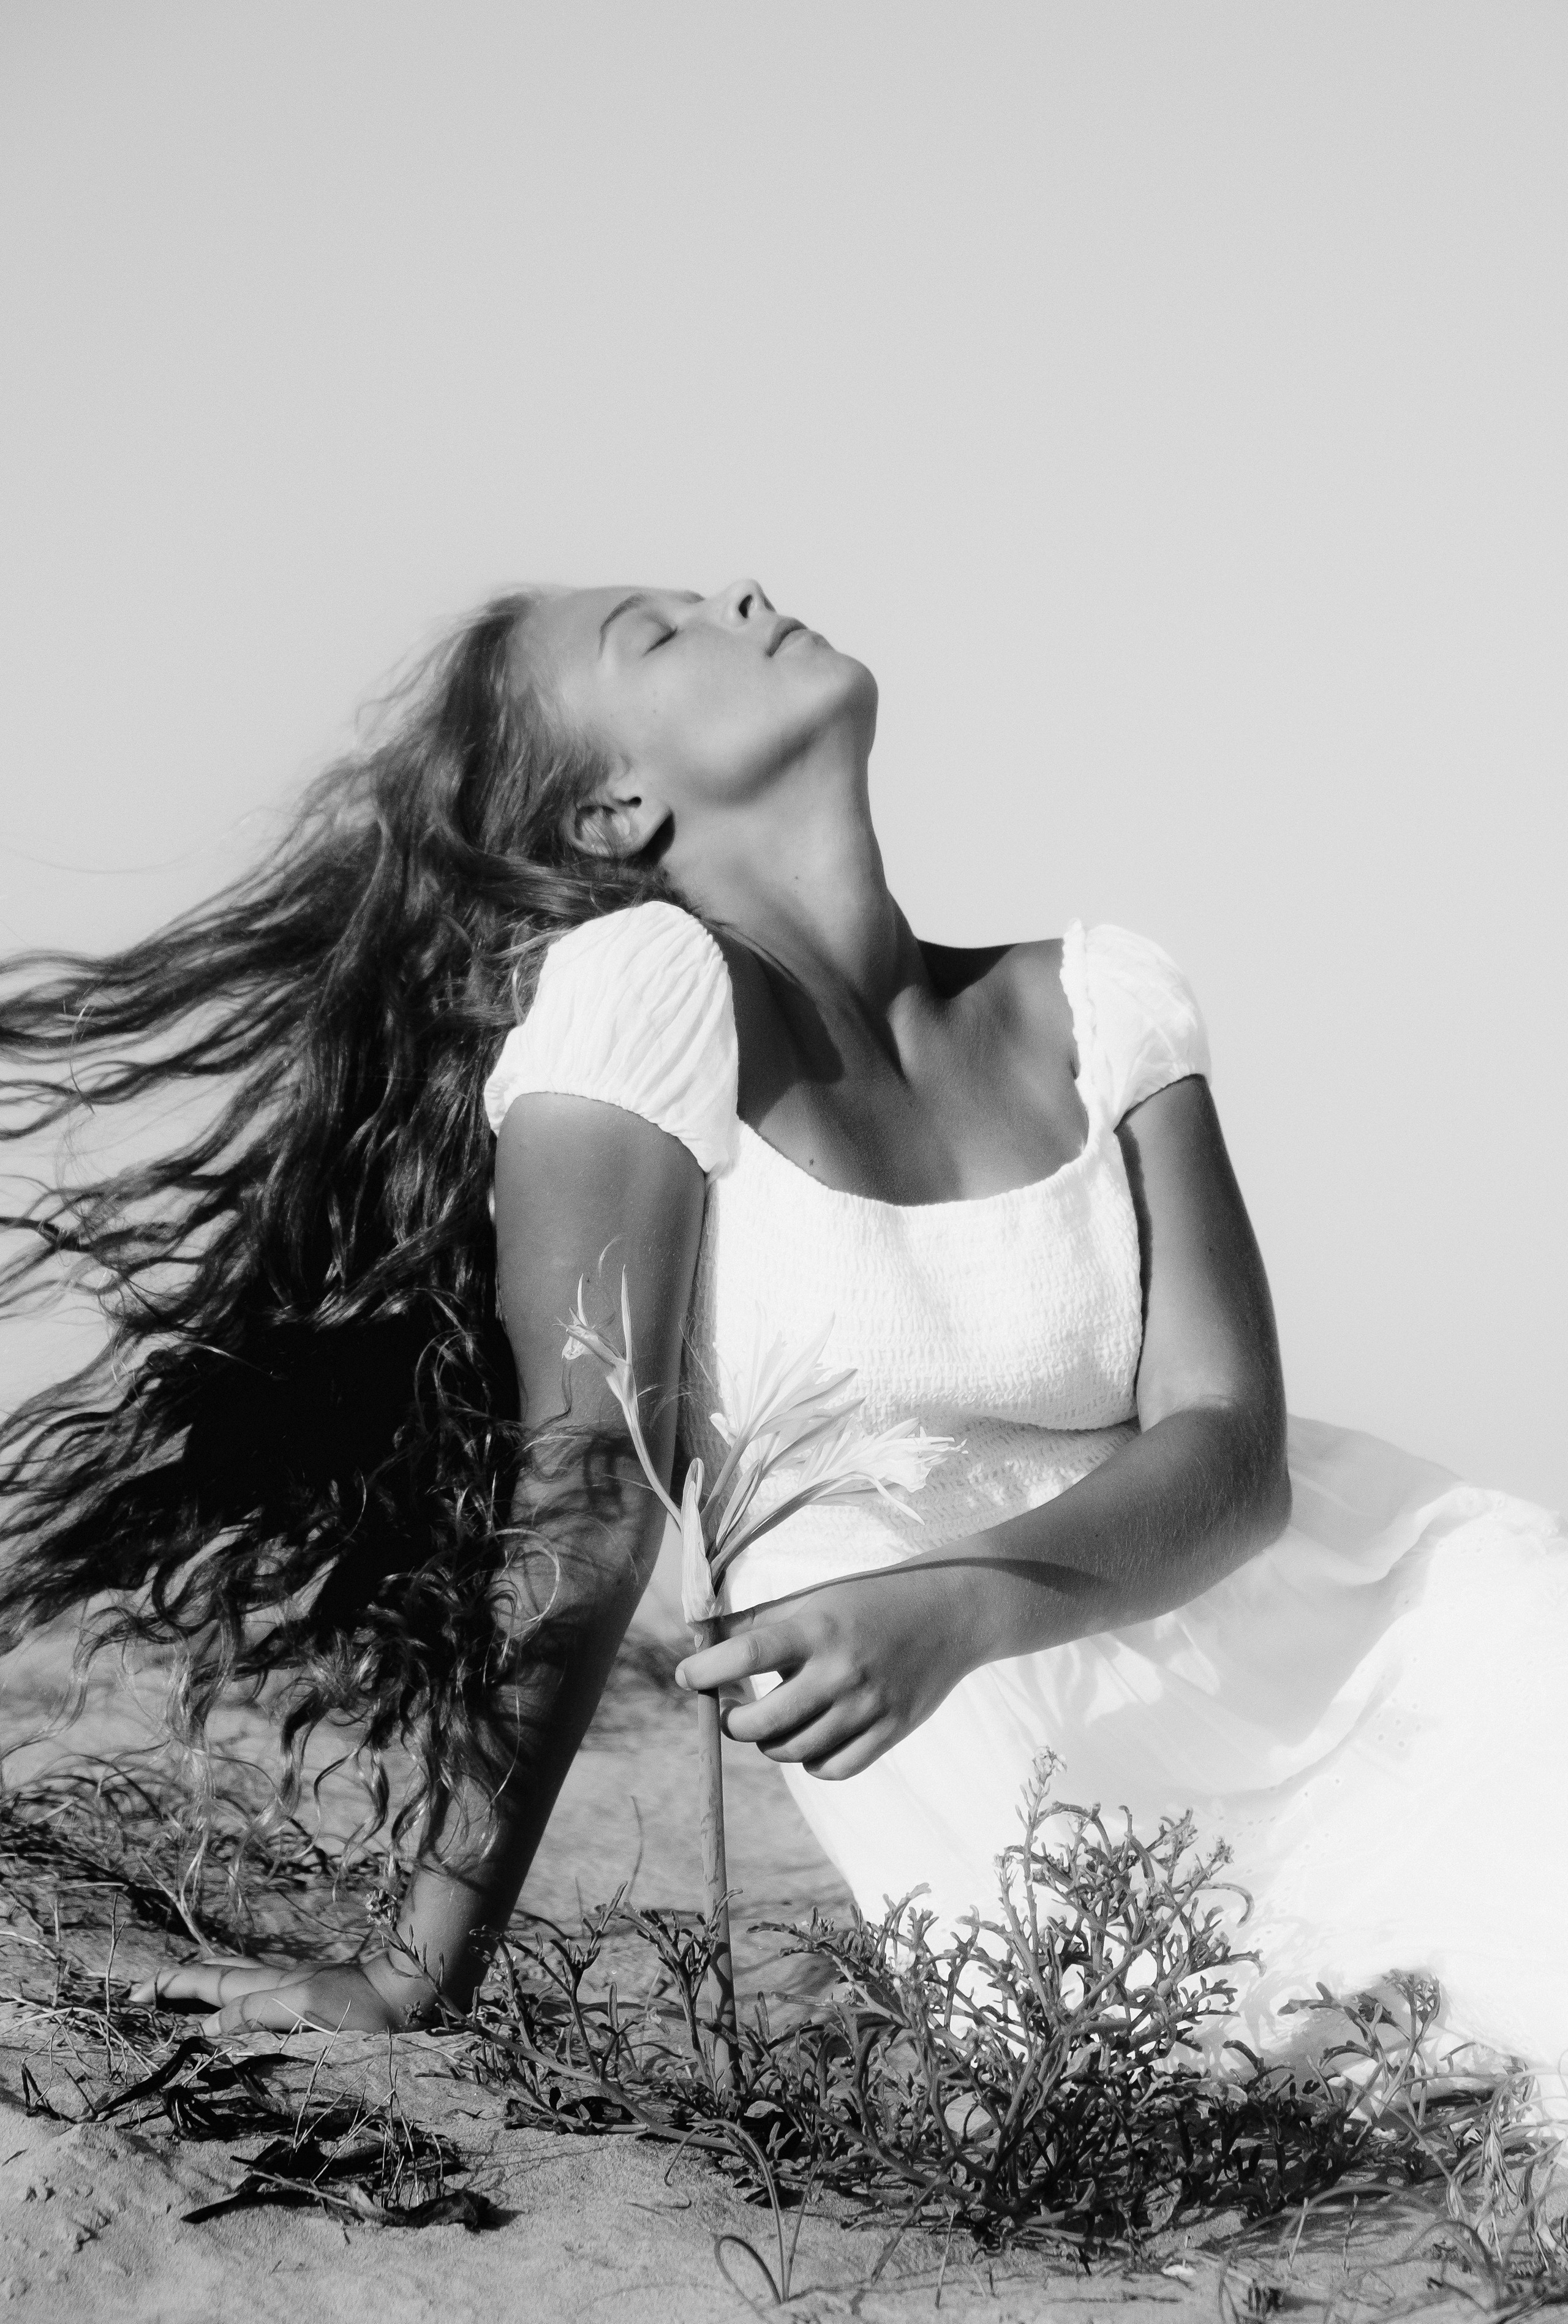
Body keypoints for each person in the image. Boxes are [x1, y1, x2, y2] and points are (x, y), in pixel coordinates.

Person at [2, 580, 1562, 2086]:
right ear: (612, 813)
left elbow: (1234, 1457)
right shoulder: (642, 991)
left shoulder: (1104, 1000)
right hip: (1059, 1814)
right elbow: (590, 1493)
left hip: (1381, 1649)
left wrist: (953, 1611)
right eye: (654, 628)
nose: (739, 590)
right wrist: (418, 1973)